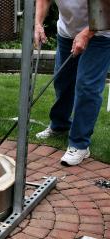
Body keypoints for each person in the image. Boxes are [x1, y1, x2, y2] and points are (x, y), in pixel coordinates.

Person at [35, 0, 110, 166]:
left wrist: (86, 34)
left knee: (87, 87)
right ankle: (59, 125)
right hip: (67, 33)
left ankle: (80, 144)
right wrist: (38, 23)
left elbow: (106, 9)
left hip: (101, 34)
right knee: (62, 81)